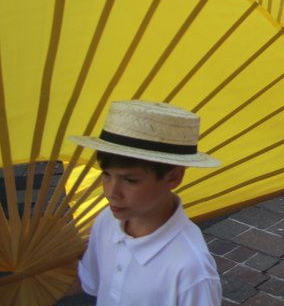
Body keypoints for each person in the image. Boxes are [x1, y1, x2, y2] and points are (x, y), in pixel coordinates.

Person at [70, 100, 222, 304]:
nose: (111, 192)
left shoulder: (191, 270)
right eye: (106, 175)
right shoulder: (107, 220)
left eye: (130, 180)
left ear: (173, 177)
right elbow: (93, 282)